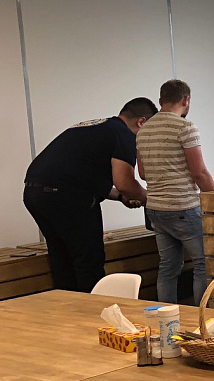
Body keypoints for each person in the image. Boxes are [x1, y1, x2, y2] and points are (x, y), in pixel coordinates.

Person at [23, 98, 155, 292]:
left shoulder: (96, 128)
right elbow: (125, 183)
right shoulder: (124, 134)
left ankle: (67, 307)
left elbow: (83, 179)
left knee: (62, 258)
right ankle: (91, 308)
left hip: (35, 194)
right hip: (65, 197)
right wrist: (153, 200)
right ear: (141, 122)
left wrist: (120, 197)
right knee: (88, 261)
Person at [135, 80, 214, 304]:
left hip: (155, 209)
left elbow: (143, 173)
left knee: (168, 266)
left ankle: (166, 315)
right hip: (183, 207)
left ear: (160, 100)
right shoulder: (185, 127)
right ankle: (200, 317)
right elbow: (199, 173)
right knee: (203, 263)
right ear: (186, 100)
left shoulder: (143, 131)